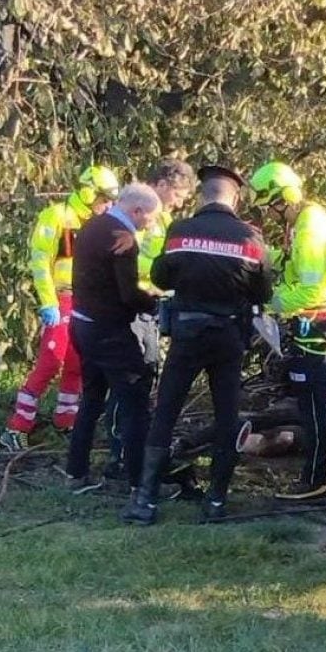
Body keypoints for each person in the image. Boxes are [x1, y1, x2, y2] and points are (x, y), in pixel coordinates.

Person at [121, 165, 272, 524]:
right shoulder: (249, 238)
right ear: (234, 197)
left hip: (187, 333)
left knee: (167, 412)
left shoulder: (181, 231)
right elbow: (264, 290)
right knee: (226, 415)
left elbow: (159, 275)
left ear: (203, 196)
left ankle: (145, 502)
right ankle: (216, 501)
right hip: (228, 337)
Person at [0, 166, 121, 452]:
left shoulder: (101, 222)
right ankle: (16, 427)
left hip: (88, 300)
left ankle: (66, 419)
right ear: (90, 193)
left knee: (78, 362)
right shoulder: (56, 216)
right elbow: (40, 260)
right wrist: (48, 301)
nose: (110, 205)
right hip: (61, 297)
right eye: (105, 198)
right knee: (51, 359)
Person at [248, 162, 326, 502]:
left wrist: (267, 303)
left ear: (284, 196)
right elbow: (293, 264)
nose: (273, 214)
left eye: (273, 206)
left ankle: (318, 478)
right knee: (308, 400)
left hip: (314, 323)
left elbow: (309, 291)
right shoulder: (302, 221)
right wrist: (264, 254)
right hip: (309, 323)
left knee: (313, 402)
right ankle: (325, 470)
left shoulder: (310, 229)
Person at [103, 159, 197, 482]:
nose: (181, 202)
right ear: (162, 185)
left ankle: (136, 447)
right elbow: (130, 265)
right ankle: (120, 453)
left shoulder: (165, 220)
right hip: (135, 306)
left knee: (146, 377)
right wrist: (152, 285)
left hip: (153, 306)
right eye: (179, 194)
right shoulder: (138, 218)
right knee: (128, 381)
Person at [65, 183, 162, 494]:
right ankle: (139, 483)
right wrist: (156, 304)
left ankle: (75, 472)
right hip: (110, 332)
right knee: (135, 405)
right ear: (137, 211)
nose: (151, 224)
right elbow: (127, 294)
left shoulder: (92, 225)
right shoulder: (124, 239)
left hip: (82, 325)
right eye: (151, 218)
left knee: (91, 401)